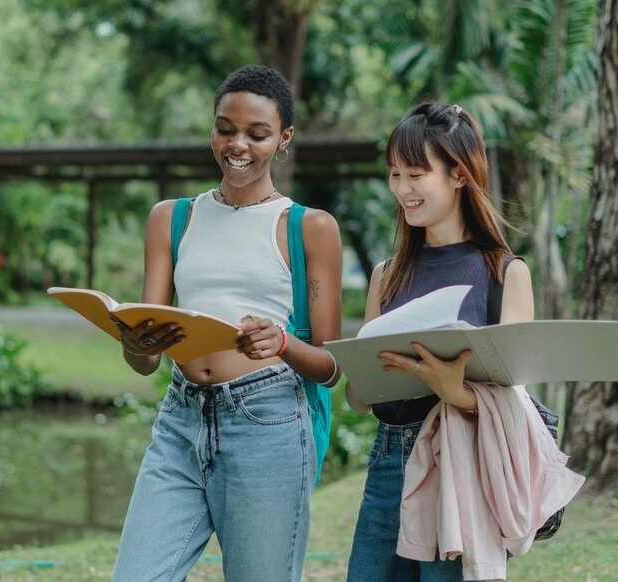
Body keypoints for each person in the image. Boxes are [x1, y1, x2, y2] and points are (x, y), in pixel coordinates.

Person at [110, 64, 343, 582]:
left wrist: (281, 342)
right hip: (180, 420)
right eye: (225, 128)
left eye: (257, 134)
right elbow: (145, 361)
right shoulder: (171, 217)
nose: (238, 144)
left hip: (268, 424)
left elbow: (330, 367)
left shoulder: (309, 227)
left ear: (283, 140)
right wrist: (134, 341)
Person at [344, 102, 535, 581]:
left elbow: (513, 403)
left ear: (459, 175)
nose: (402, 190)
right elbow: (357, 400)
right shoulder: (386, 276)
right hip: (389, 463)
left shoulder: (505, 274)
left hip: (461, 463)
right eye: (394, 175)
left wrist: (455, 391)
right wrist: (368, 374)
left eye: (415, 174)